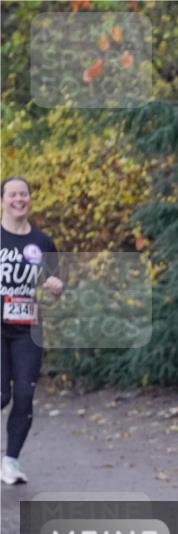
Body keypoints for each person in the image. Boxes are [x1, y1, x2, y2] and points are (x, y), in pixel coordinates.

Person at [1, 176, 62, 485]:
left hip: (27, 327)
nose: (19, 199)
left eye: (23, 194)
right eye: (12, 194)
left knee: (24, 395)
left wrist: (55, 286)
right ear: (2, 201)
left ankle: (10, 461)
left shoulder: (42, 241)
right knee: (1, 393)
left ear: (29, 199)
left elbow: (57, 282)